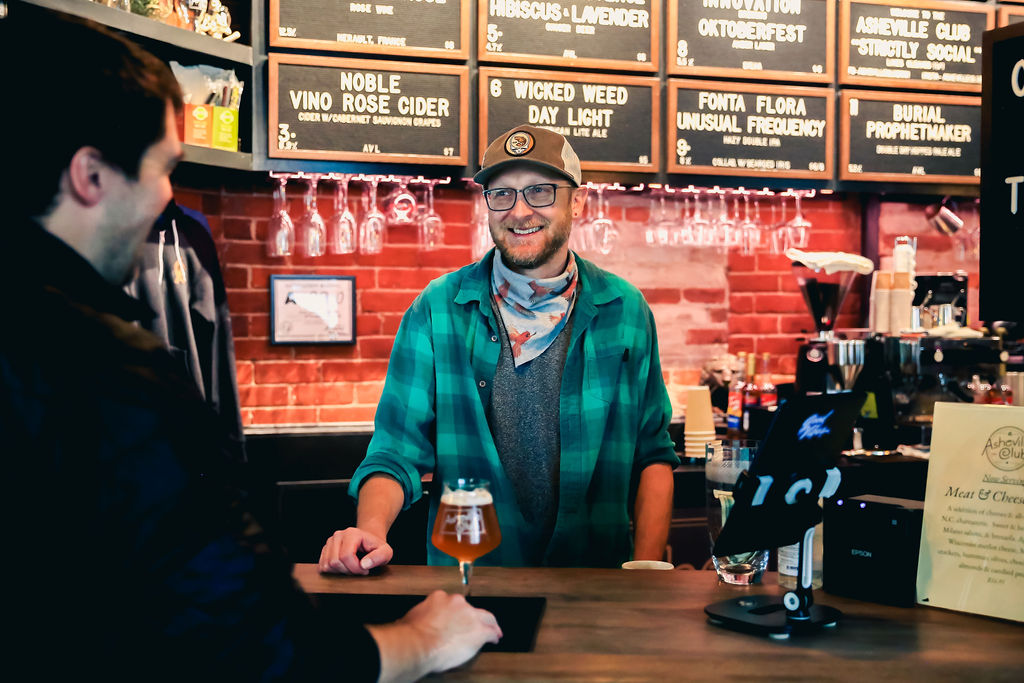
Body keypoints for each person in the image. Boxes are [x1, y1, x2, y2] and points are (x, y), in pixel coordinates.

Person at [0, 11, 499, 681]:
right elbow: (253, 642)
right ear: (90, 175)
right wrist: (419, 639)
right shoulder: (109, 373)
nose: (168, 197)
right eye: (163, 169)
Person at [320, 125, 679, 573]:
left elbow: (653, 455)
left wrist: (645, 571)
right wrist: (370, 531)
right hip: (471, 580)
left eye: (540, 192)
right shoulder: (439, 308)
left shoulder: (624, 310)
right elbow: (395, 449)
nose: (520, 211)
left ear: (578, 201)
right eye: (501, 194)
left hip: (598, 583)